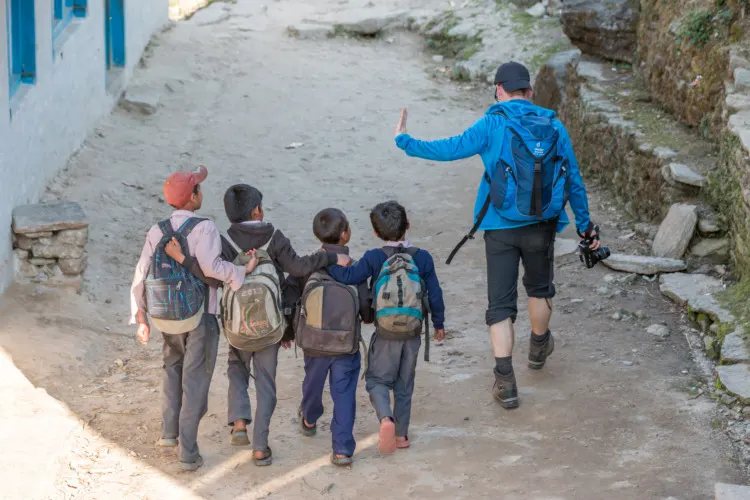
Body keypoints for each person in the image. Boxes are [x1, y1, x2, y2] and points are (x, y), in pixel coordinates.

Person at [393, 61, 602, 409]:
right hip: (543, 224)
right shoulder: (553, 124)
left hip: (499, 226)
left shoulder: (492, 123)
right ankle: (538, 345)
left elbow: (449, 148)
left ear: (499, 90)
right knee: (540, 288)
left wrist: (405, 140)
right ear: (530, 92)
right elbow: (574, 179)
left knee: (501, 304)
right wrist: (585, 226)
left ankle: (505, 381)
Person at [166, 184, 350, 466]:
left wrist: (185, 259)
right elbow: (299, 268)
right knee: (266, 383)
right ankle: (261, 447)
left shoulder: (224, 239)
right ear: (257, 210)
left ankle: (239, 422)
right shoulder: (273, 237)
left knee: (237, 369)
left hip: (237, 326)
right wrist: (329, 256)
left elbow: (213, 276)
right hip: (271, 327)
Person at [130, 166, 255, 471]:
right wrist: (240, 273)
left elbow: (141, 273)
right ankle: (188, 452)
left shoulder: (156, 230)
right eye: (198, 188)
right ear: (193, 197)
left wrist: (141, 316)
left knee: (172, 369)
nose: (201, 192)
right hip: (201, 316)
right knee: (195, 380)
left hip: (165, 317)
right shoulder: (205, 228)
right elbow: (212, 269)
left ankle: (169, 434)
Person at [327, 201, 445, 454]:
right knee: (405, 383)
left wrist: (329, 262)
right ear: (408, 226)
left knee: (377, 380)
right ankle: (401, 435)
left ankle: (385, 419)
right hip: (413, 334)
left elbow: (348, 277)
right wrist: (439, 324)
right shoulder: (422, 258)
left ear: (376, 233)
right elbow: (435, 294)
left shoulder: (373, 258)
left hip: (385, 332)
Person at [287, 208, 372, 466]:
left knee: (312, 383)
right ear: (345, 234)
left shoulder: (307, 265)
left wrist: (291, 330)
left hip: (314, 342)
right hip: (345, 344)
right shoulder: (355, 267)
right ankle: (343, 449)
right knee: (344, 393)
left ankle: (309, 418)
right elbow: (366, 309)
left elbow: (290, 296)